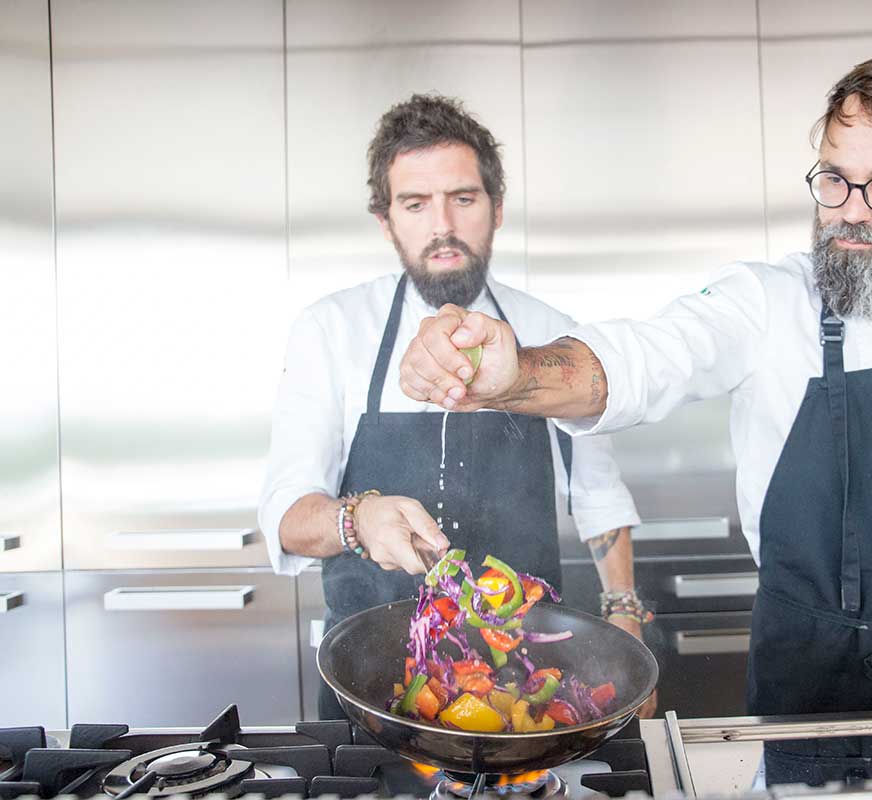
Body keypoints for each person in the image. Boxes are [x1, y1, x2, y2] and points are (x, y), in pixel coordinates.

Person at [398, 55, 872, 782]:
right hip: (820, 697)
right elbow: (643, 357)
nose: (851, 209)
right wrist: (519, 372)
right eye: (834, 178)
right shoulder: (764, 303)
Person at [258, 94, 653, 720]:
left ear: (496, 210)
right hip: (371, 684)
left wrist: (625, 612)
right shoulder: (330, 331)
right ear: (387, 221)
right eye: (416, 204)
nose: (442, 225)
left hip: (521, 684)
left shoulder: (550, 333)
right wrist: (357, 521)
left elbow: (598, 493)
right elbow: (285, 517)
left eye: (463, 198)